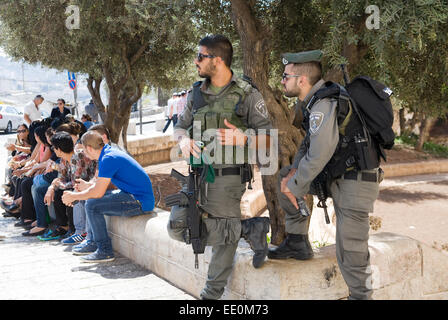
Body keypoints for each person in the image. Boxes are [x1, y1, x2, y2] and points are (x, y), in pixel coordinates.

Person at [268, 50, 381, 300]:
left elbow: (320, 153)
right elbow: (308, 146)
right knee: (286, 175)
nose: (282, 81)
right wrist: (293, 178)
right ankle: (297, 241)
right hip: (339, 177)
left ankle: (362, 296)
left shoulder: (323, 104)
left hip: (356, 182)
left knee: (350, 249)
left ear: (302, 80)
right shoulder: (316, 101)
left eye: (285, 76)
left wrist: (295, 185)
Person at [168, 34, 273, 300]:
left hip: (229, 178)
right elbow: (180, 125)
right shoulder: (196, 93)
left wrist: (244, 137)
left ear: (218, 60)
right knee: (178, 227)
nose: (196, 61)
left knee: (222, 242)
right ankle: (249, 229)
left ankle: (210, 296)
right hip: (198, 176)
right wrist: (182, 140)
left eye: (201, 56)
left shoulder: (247, 94)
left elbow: (269, 137)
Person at [61, 130, 155, 263]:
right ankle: (92, 242)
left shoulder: (108, 158)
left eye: (83, 151)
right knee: (91, 200)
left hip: (139, 202)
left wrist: (74, 196)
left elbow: (98, 192)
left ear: (89, 148)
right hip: (133, 196)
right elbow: (99, 187)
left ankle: (104, 250)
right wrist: (83, 191)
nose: (84, 155)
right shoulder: (108, 153)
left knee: (92, 205)